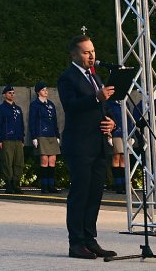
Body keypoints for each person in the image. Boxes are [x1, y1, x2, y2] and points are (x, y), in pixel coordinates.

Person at [56, 34, 117, 260]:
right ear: (74, 54)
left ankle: (90, 239)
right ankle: (76, 243)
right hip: (80, 145)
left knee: (94, 194)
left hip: (98, 143)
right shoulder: (67, 78)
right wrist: (96, 98)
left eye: (92, 51)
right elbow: (71, 106)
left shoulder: (95, 77)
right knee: (80, 194)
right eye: (86, 52)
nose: (91, 56)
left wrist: (112, 122)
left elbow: (104, 109)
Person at [29, 83, 60, 193]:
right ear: (38, 92)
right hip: (41, 134)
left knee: (52, 160)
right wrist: (34, 137)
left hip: (52, 134)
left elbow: (54, 121)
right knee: (44, 160)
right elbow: (32, 121)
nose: (46, 91)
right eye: (43, 90)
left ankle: (51, 185)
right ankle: (44, 185)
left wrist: (57, 135)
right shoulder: (35, 105)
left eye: (46, 89)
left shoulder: (50, 104)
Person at [0, 86, 25, 193]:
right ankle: (9, 184)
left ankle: (16, 184)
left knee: (19, 162)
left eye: (13, 93)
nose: (12, 94)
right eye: (9, 93)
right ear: (4, 95)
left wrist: (22, 139)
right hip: (7, 139)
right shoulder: (1, 108)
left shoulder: (18, 109)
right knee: (7, 162)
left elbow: (21, 125)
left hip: (18, 139)